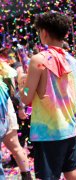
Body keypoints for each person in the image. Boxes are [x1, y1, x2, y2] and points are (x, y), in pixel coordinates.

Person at [18, 12, 76, 179]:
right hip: (69, 129)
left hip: (47, 134)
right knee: (71, 173)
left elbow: (26, 97)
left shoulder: (38, 60)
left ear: (44, 33)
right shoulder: (73, 61)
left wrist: (21, 84)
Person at [0, 45, 32, 179]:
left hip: (7, 109)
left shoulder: (13, 66)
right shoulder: (5, 66)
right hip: (8, 109)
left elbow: (20, 86)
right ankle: (27, 176)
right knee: (16, 146)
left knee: (16, 146)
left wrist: (21, 106)